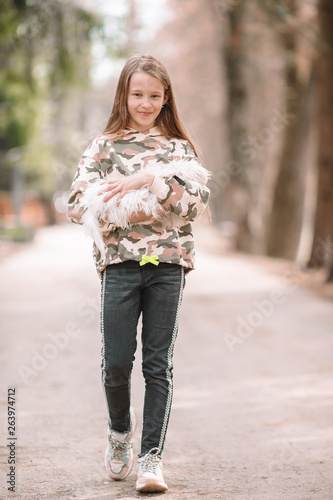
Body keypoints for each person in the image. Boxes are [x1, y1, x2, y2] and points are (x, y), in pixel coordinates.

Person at [67, 54, 210, 493]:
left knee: (157, 365)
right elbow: (77, 205)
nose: (145, 103)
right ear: (123, 95)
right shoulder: (103, 147)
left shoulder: (178, 148)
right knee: (115, 365)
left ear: (166, 98)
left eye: (153, 95)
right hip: (120, 268)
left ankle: (151, 459)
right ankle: (117, 433)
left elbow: (195, 205)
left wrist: (149, 181)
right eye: (137, 94)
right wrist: (136, 204)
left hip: (168, 267)